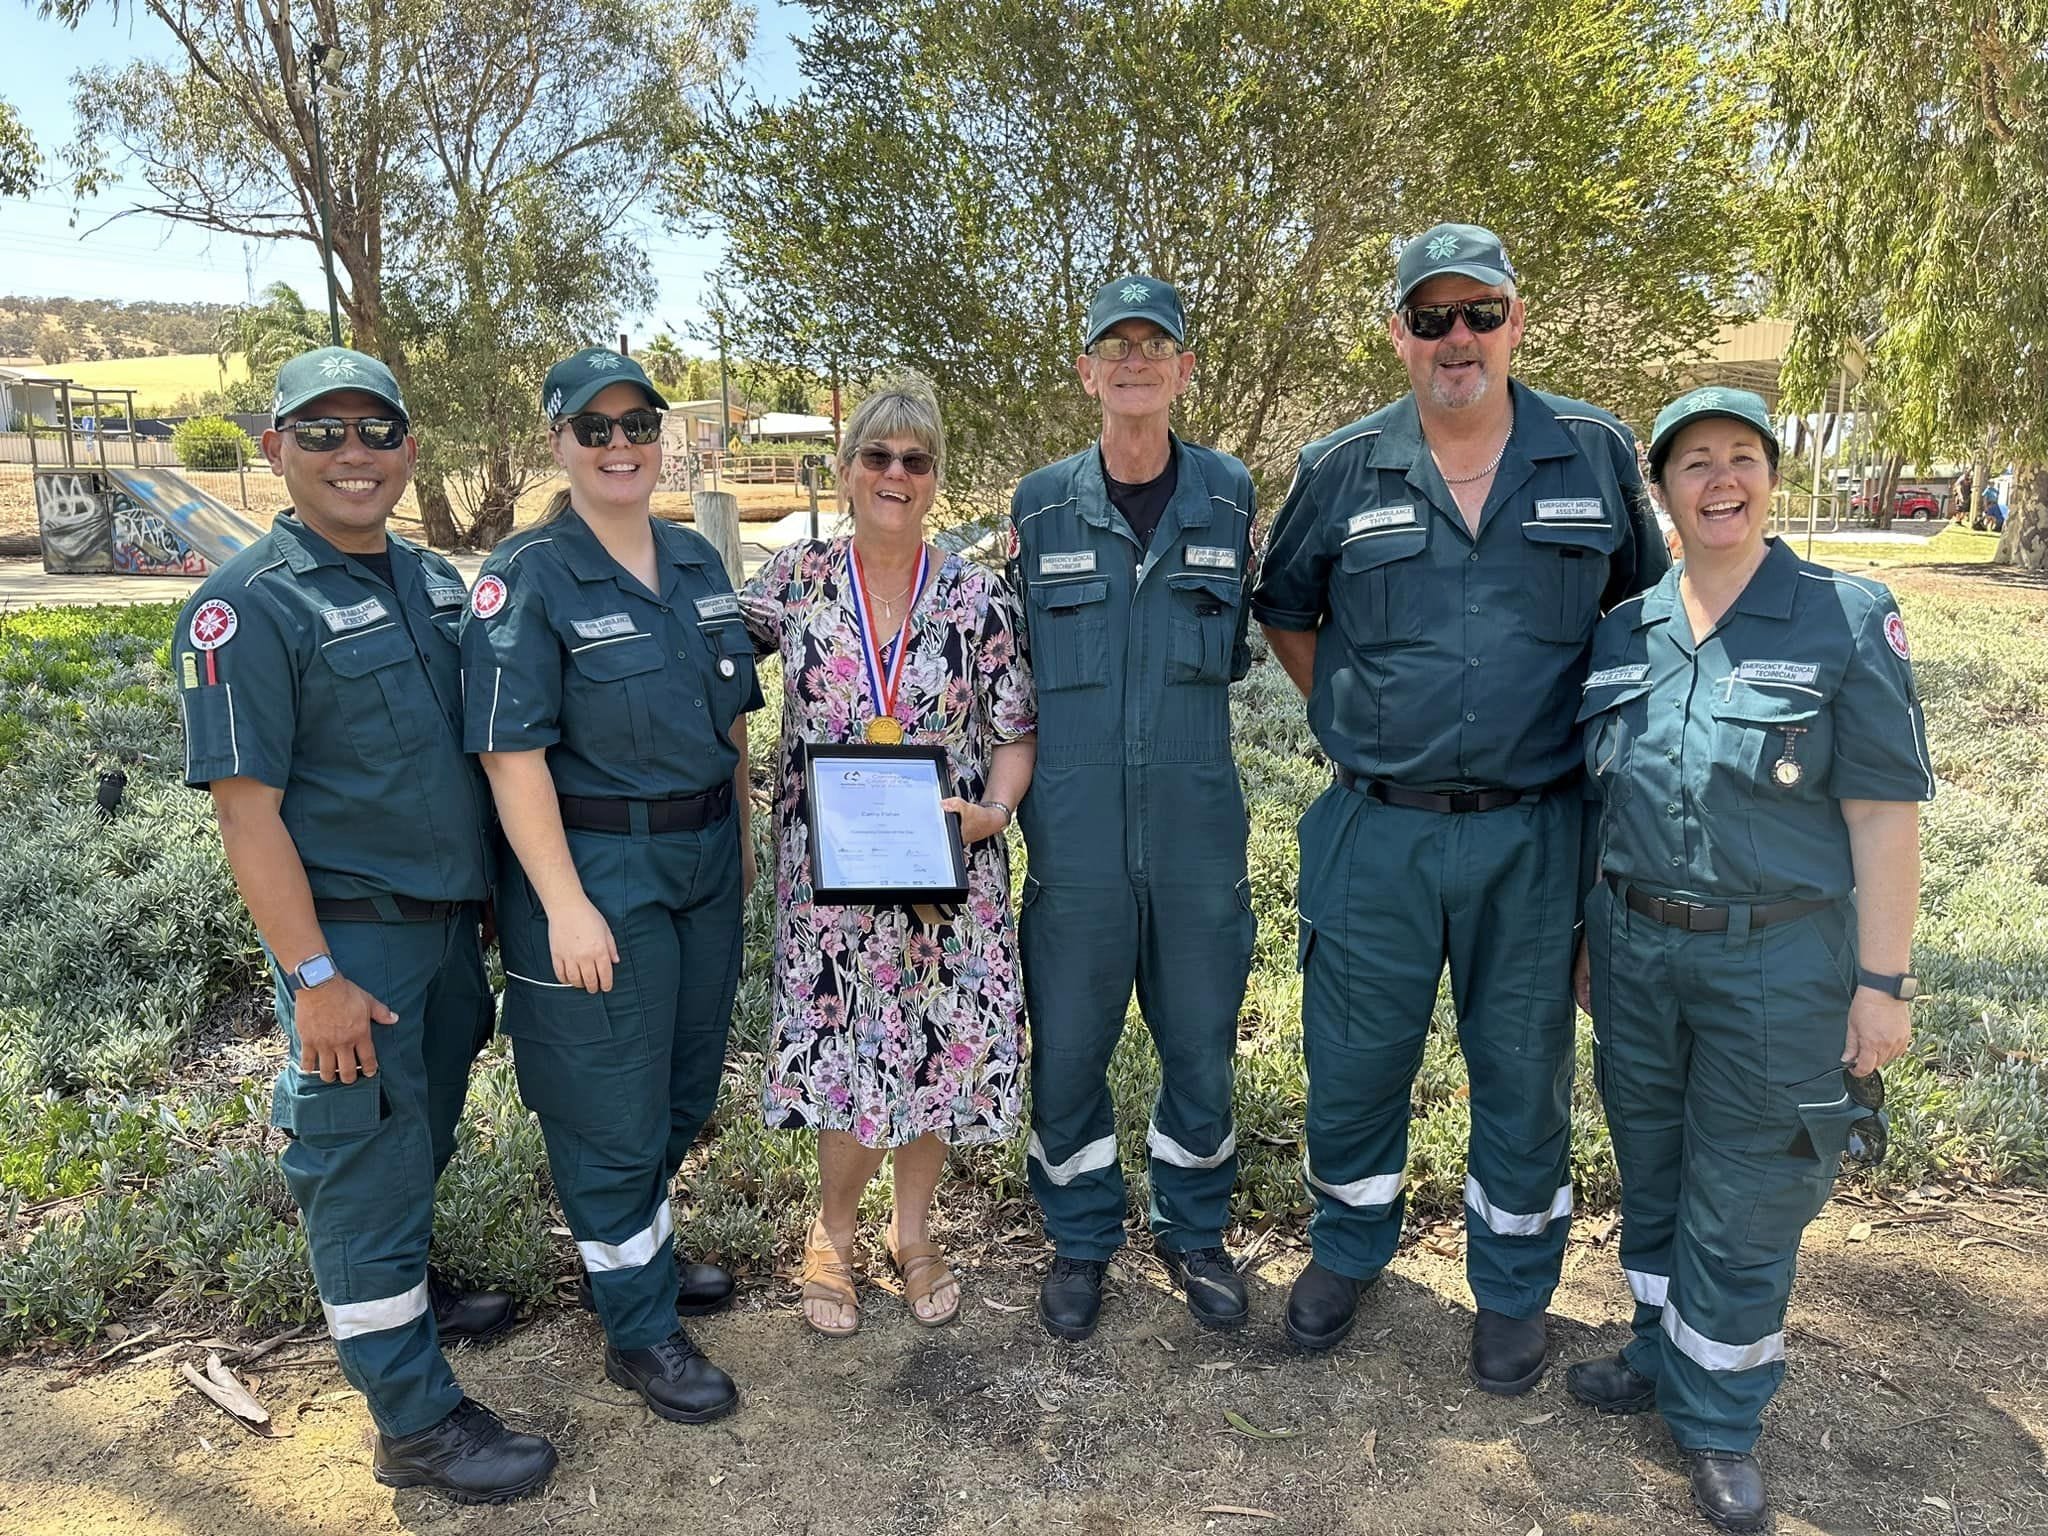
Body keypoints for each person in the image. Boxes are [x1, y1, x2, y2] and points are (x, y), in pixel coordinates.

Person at [1251, 224, 1667, 1383]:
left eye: (1477, 313)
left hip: (1535, 832)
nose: (1455, 340)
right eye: (1429, 319)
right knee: (1352, 1058)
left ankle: (1514, 1286)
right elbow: (1285, 607)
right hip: (1375, 828)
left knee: (1520, 1068)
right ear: (1397, 333)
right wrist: (1357, 706)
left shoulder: (1589, 451)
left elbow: (1640, 616)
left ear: (1513, 319)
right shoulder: (1339, 467)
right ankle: (1346, 1249)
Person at [174, 346, 556, 1502]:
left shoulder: (434, 582)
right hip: (355, 947)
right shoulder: (245, 607)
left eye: (375, 432)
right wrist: (314, 977)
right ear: (274, 447)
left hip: (443, 936)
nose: (353, 455)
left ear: (407, 449)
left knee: (414, 1138)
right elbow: (249, 818)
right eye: (324, 432)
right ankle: (415, 1422)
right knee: (356, 1164)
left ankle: (408, 1295)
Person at [1566, 386, 1932, 1532]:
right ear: (1662, 492)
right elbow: (1599, 802)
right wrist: (1587, 935)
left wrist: (1881, 986)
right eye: (1692, 465)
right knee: (1655, 1166)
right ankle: (1654, 1349)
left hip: (1776, 963)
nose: (1719, 481)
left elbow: (1882, 817)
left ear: (1769, 477)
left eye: (1739, 459)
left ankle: (1717, 1415)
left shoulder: (1840, 617)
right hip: (1632, 953)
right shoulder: (1624, 629)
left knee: (1748, 1189)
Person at [460, 348, 759, 1425]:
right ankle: (636, 1329)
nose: (621, 445)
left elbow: (729, 722)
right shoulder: (527, 575)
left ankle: (632, 1251)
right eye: (596, 429)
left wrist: (746, 839)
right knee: (607, 1106)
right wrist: (564, 903)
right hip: (594, 869)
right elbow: (510, 755)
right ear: (559, 442)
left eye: (638, 425)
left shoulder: (696, 563)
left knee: (680, 1087)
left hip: (704, 858)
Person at [739, 373, 1036, 1336]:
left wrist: (993, 810)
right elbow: (710, 673)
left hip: (945, 879)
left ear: (935, 478)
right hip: (828, 880)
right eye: (878, 456)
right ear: (847, 468)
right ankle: (832, 1234)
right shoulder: (795, 582)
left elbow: (1017, 729)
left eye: (915, 459)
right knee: (842, 1046)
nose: (896, 474)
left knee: (936, 1048)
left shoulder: (979, 597)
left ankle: (913, 1233)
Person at [1007, 274, 1259, 1342]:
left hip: (1198, 834)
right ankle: (1078, 1236)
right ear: (1085, 372)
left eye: (1155, 345)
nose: (1134, 361)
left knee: (1199, 1042)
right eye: (1114, 345)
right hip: (1074, 841)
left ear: (1183, 369)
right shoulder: (1037, 505)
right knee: (1066, 1044)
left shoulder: (1232, 497)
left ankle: (1193, 1227)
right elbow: (1003, 669)